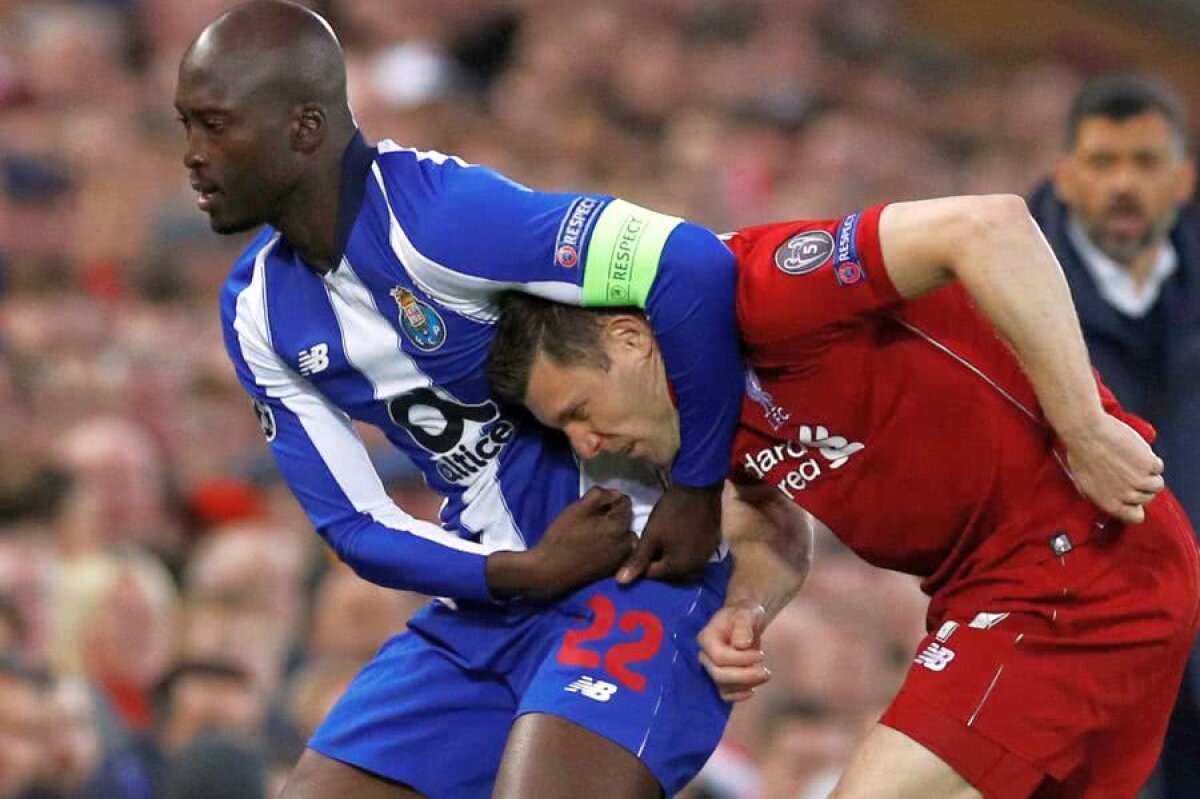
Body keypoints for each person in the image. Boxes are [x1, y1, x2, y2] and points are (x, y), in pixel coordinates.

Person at [177, 1, 745, 797]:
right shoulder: (259, 310)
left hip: (635, 575)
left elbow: (694, 265)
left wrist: (694, 490)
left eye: (213, 125)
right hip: (493, 602)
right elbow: (353, 521)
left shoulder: (442, 219)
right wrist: (521, 569)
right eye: (186, 127)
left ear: (303, 129)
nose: (193, 156)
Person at [488, 193, 1200, 798]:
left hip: (1073, 568)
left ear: (628, 338)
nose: (587, 444)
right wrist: (749, 604)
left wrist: (1083, 424)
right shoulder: (693, 427)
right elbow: (771, 520)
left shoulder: (757, 288)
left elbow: (991, 224)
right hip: (1008, 590)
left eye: (579, 410)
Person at [1028, 73, 1200, 799]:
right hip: (1074, 629)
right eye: (1103, 163)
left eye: (1145, 162)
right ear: (1066, 176)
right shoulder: (1009, 295)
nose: (1123, 184)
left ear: (1183, 177)